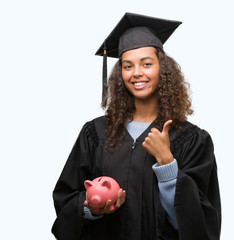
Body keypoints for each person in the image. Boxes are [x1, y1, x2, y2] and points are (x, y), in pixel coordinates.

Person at [51, 12, 221, 240]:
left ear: (163, 69)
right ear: (120, 74)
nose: (137, 73)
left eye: (147, 64)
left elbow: (198, 224)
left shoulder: (191, 140)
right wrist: (91, 207)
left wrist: (167, 164)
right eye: (128, 66)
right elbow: (66, 199)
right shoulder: (96, 133)